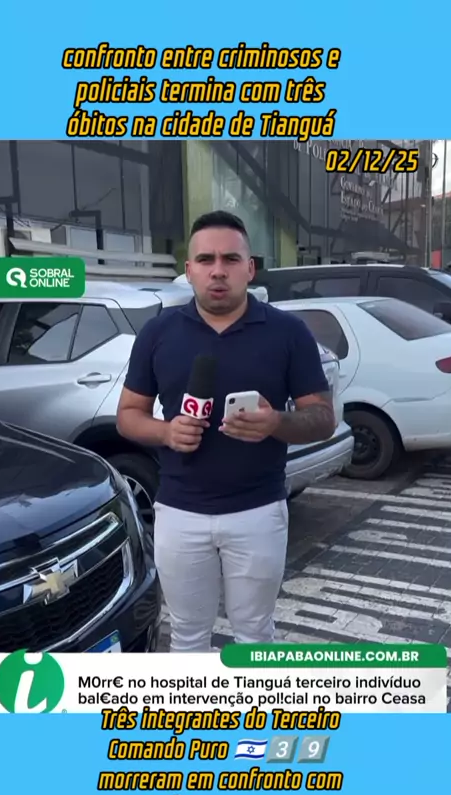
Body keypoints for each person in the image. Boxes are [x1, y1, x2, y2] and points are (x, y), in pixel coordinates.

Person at [117, 210, 335, 652]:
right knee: (187, 635)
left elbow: (323, 418)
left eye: (231, 259)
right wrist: (166, 432)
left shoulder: (289, 332)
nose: (218, 270)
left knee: (255, 636)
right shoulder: (158, 333)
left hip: (259, 511)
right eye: (206, 259)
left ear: (250, 268)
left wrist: (276, 422)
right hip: (179, 512)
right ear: (189, 270)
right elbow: (128, 415)